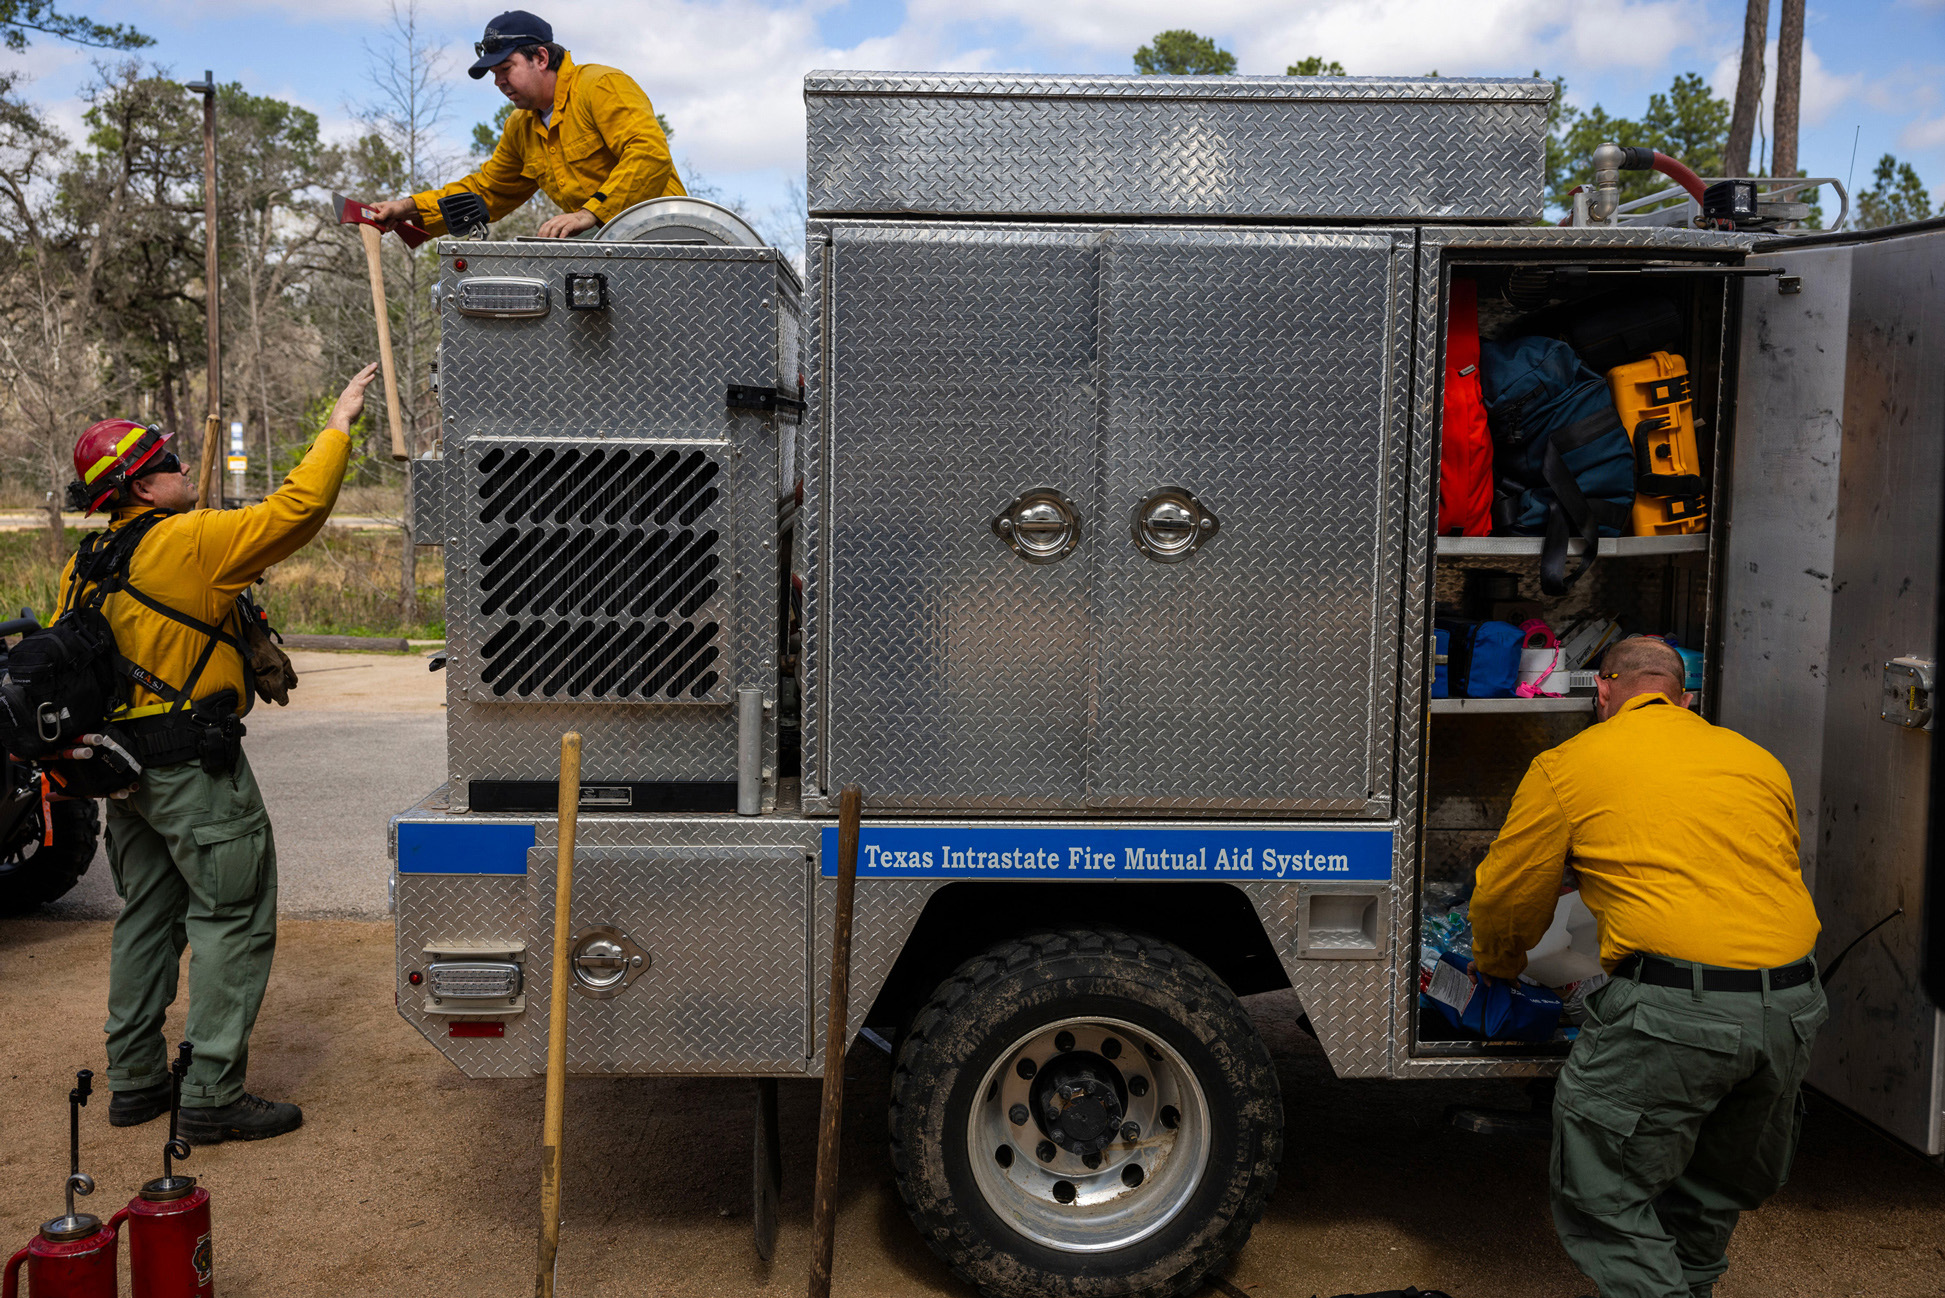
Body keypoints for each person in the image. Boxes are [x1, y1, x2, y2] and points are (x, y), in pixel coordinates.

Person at [60, 362, 380, 1146]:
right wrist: (337, 424)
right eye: (163, 464)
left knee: (146, 921)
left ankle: (134, 1081)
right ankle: (211, 1093)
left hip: (126, 775)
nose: (177, 469)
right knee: (230, 922)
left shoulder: (87, 567)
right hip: (198, 775)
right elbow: (298, 510)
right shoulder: (190, 545)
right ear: (140, 488)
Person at [1467, 635, 1825, 1298]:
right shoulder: (1756, 761)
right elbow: (1771, 867)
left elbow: (1507, 893)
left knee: (1600, 1188)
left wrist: (1495, 963)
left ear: (1601, 691)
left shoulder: (1568, 763)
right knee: (1711, 1186)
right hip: (1792, 1005)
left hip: (1676, 1013)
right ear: (1683, 698)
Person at [367, 10, 683, 240]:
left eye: (506, 68)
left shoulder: (600, 86)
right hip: (605, 250)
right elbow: (487, 191)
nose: (499, 82)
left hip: (671, 239)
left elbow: (649, 153)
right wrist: (408, 209)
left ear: (541, 58)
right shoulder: (521, 127)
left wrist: (590, 214)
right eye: (493, 74)